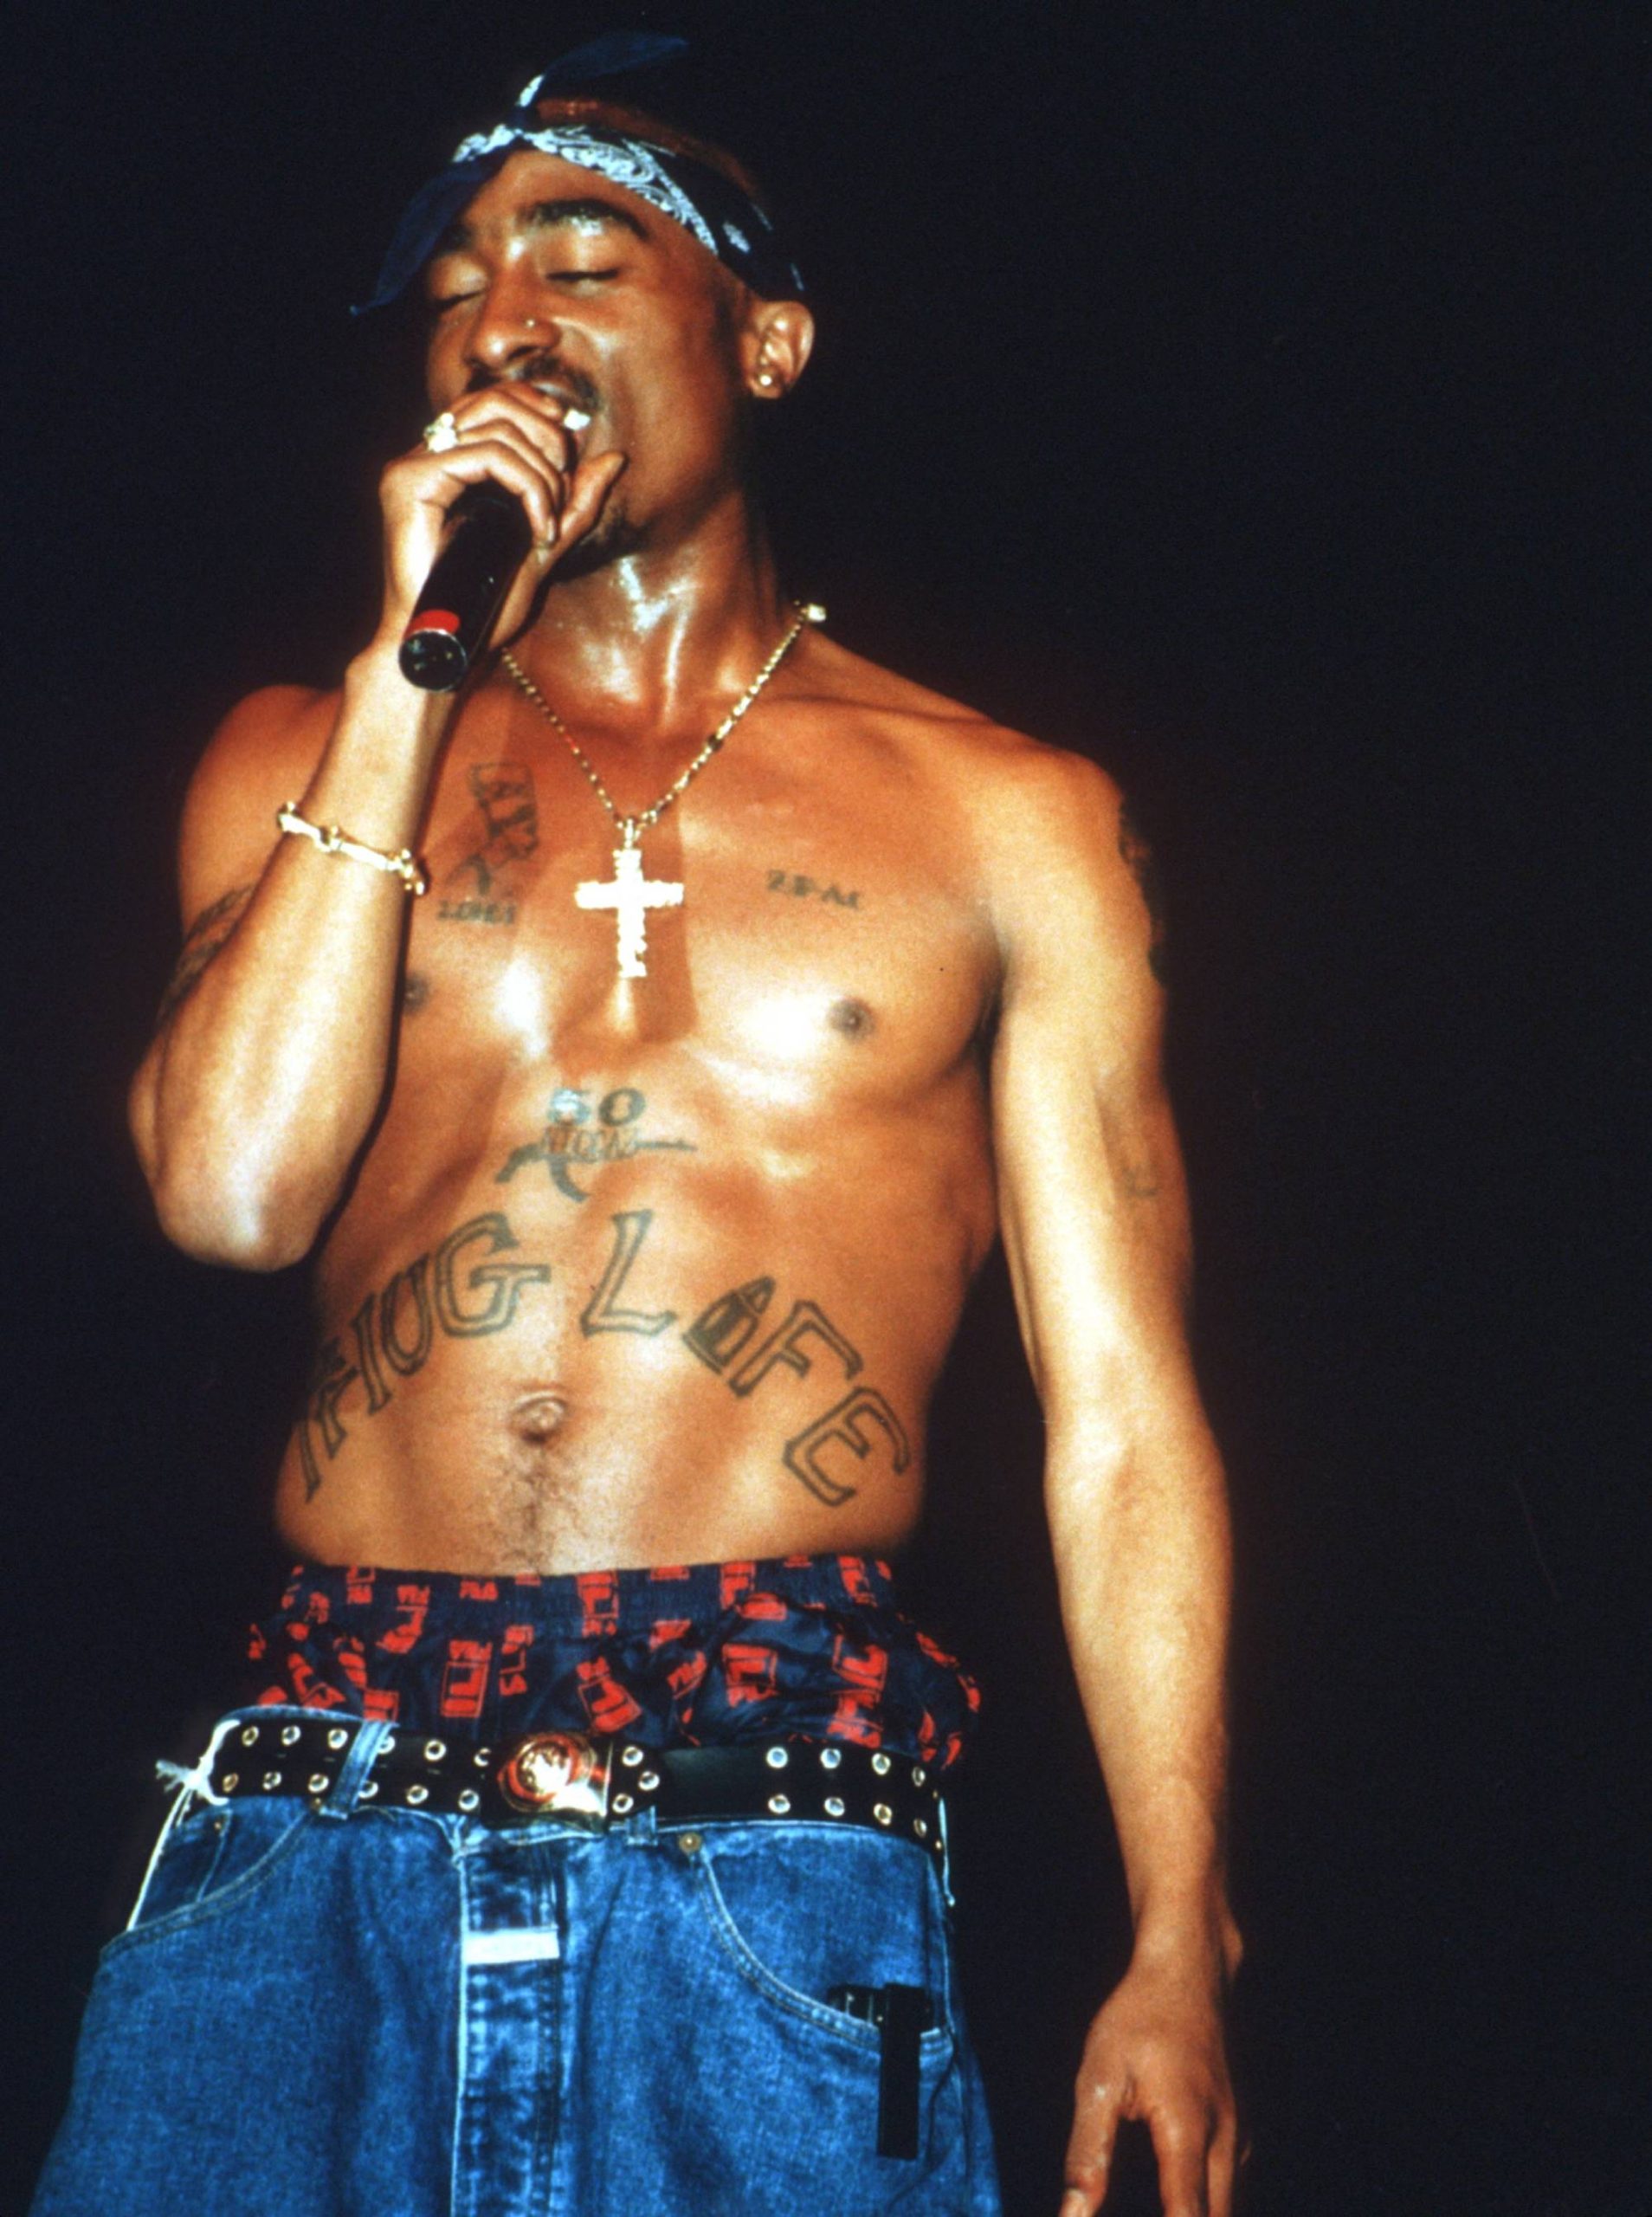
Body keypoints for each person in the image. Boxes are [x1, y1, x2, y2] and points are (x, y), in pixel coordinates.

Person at [33, 47, 1240, 2217]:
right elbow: (227, 1191)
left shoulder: (1010, 820)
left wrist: (1179, 1927)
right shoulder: (302, 751)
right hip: (310, 1844)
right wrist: (415, 680)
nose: (507, 317)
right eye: (463, 284)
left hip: (769, 1845)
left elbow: (1126, 1416)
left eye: (585, 257)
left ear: (762, 344)